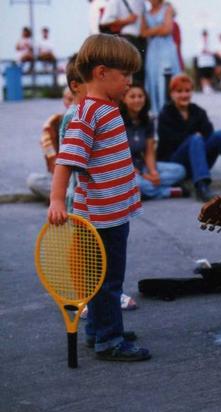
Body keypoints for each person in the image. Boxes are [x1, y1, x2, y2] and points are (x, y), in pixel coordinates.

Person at [47, 34, 150, 361]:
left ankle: (99, 330)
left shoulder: (106, 108)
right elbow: (66, 160)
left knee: (103, 278)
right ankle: (110, 340)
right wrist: (57, 200)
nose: (129, 82)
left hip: (113, 211)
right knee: (107, 280)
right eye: (125, 75)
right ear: (102, 72)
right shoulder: (88, 113)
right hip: (101, 216)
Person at [157, 73, 221, 201]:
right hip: (176, 163)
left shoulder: (197, 111)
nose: (184, 95)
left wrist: (196, 138)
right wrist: (194, 137)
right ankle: (202, 186)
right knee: (195, 139)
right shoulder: (165, 114)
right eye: (179, 91)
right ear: (171, 94)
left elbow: (209, 132)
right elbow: (170, 141)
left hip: (199, 159)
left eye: (187, 91)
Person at [119, 82, 187, 199]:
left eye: (140, 96)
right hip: (125, 170)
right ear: (124, 99)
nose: (137, 100)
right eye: (132, 97)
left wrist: (153, 173)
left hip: (143, 166)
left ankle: (145, 191)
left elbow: (149, 152)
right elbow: (120, 158)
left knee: (180, 170)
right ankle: (168, 191)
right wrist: (144, 175)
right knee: (137, 184)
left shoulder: (148, 121)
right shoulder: (118, 121)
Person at [26, 87, 73, 201]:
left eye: (74, 99)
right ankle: (69, 197)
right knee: (33, 180)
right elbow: (52, 159)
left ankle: (67, 197)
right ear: (63, 100)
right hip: (62, 173)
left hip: (80, 175)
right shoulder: (54, 123)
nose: (72, 104)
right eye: (69, 99)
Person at [141, 0, 181, 114]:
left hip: (166, 48)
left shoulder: (167, 8)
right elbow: (143, 32)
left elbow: (168, 30)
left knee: (165, 76)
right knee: (152, 76)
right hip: (152, 50)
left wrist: (151, 30)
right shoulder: (146, 13)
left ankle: (169, 110)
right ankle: (155, 110)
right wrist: (160, 28)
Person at [99, 0, 147, 84]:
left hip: (141, 41)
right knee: (129, 72)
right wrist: (127, 21)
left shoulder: (141, 2)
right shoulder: (115, 1)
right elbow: (105, 22)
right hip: (126, 39)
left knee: (138, 74)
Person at [196, 29, 216, 94]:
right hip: (202, 63)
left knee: (209, 75)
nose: (205, 36)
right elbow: (201, 51)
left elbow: (213, 51)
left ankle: (208, 87)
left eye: (206, 35)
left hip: (210, 62)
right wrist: (207, 51)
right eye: (204, 35)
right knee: (203, 76)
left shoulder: (211, 42)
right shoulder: (199, 42)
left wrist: (208, 51)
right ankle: (204, 87)